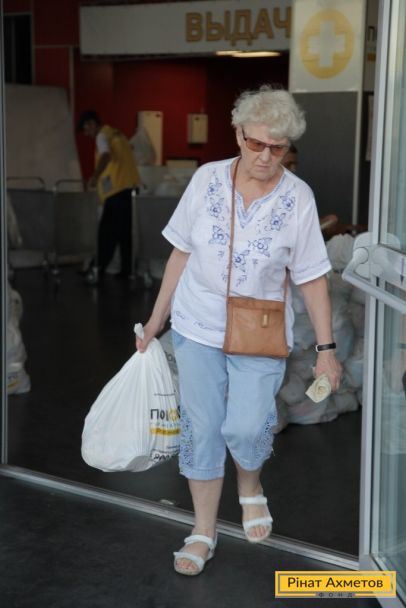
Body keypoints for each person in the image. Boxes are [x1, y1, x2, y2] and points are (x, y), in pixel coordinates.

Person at [136, 85, 342, 576]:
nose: (265, 157)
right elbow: (181, 252)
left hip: (260, 331)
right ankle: (202, 531)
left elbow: (312, 277)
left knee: (247, 427)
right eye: (256, 144)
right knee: (202, 428)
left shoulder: (298, 198)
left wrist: (327, 350)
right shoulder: (207, 179)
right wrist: (157, 319)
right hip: (196, 324)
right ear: (237, 134)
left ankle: (250, 486)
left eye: (278, 148)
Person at [78, 110, 141, 283]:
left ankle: (96, 269)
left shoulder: (101, 136)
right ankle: (127, 270)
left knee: (106, 232)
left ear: (92, 124)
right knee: (124, 233)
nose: (88, 134)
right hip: (131, 189)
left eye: (87, 129)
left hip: (117, 191)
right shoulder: (117, 134)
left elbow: (105, 155)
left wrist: (95, 176)